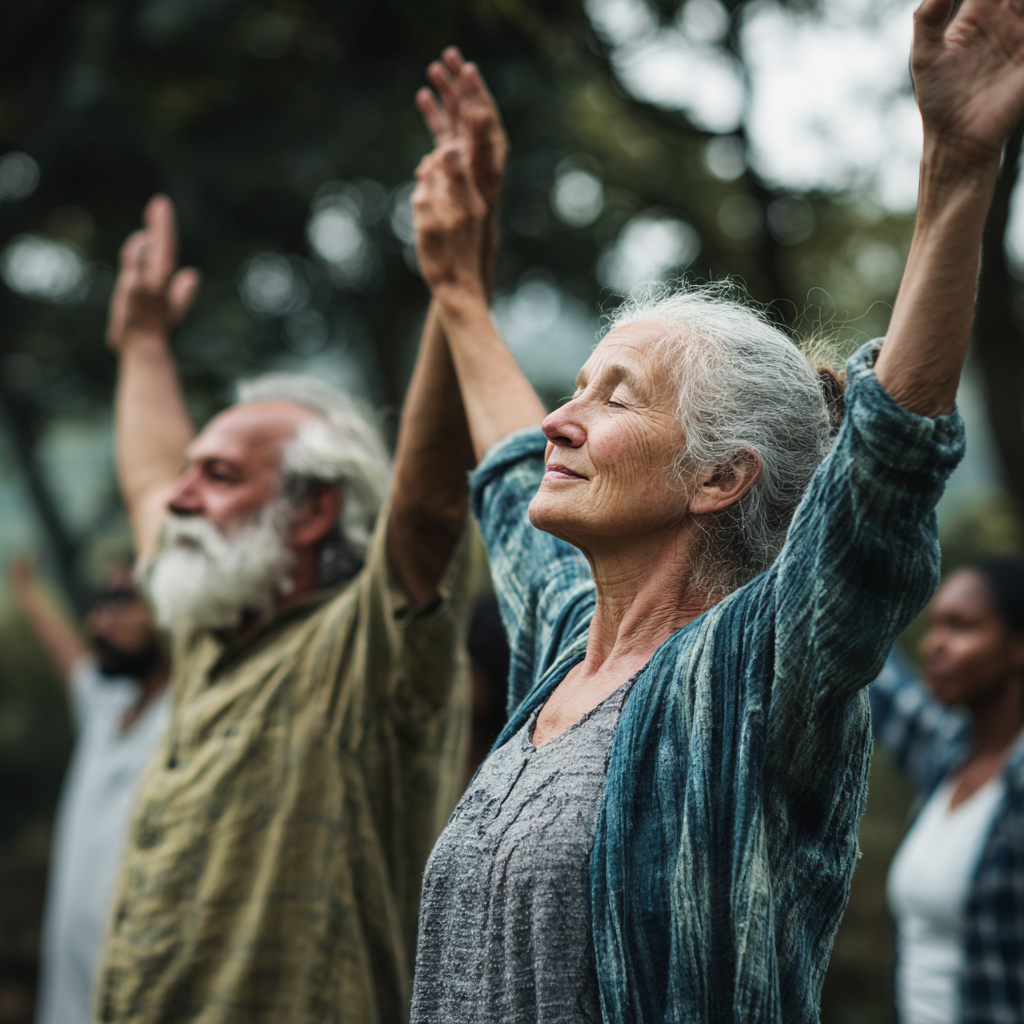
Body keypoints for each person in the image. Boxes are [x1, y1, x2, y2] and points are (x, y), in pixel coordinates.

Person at [405, 1, 1024, 1020]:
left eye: (615, 399)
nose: (563, 420)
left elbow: (879, 480)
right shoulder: (567, 646)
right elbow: (515, 472)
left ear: (718, 478)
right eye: (575, 386)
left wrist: (955, 172)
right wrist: (459, 293)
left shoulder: (748, 674)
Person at [92, 51, 501, 1021]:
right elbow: (152, 475)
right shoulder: (208, 623)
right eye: (195, 471)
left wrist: (457, 284)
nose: (182, 497)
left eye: (222, 474)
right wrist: (145, 339)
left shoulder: (364, 651)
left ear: (312, 511)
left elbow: (430, 506)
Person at [10, 557, 169, 1024]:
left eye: (122, 600)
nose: (99, 621)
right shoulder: (106, 707)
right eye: (98, 604)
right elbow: (71, 660)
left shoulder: (185, 719)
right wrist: (28, 595)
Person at [873, 560, 1024, 1024]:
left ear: (1018, 647)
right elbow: (875, 672)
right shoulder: (949, 755)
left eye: (960, 626)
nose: (933, 643)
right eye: (936, 624)